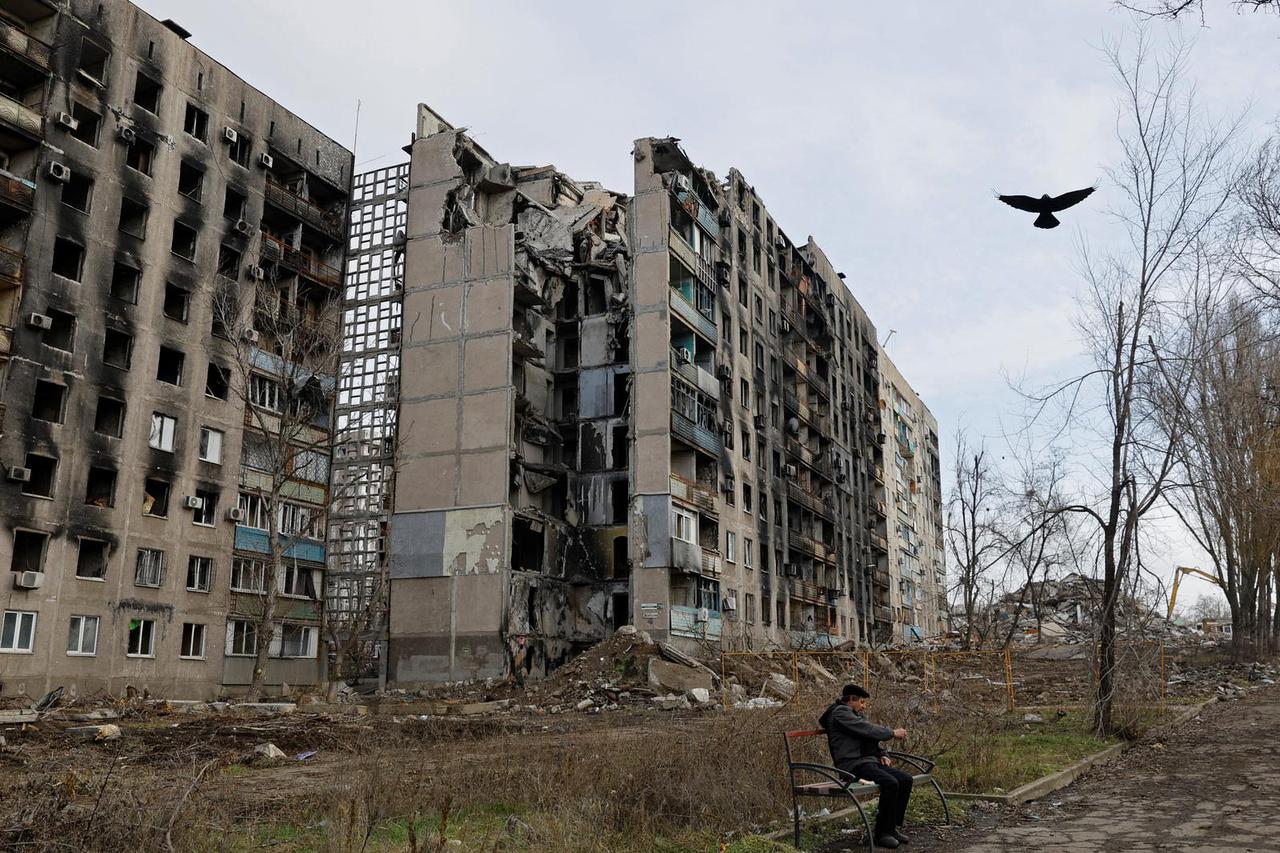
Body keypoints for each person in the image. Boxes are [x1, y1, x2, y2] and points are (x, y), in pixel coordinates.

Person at [818, 683, 912, 849]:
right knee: (890, 783)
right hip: (851, 766)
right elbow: (867, 729)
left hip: (866, 762)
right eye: (861, 702)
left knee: (905, 779)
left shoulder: (852, 714)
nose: (864, 706)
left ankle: (891, 828)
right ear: (852, 700)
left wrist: (882, 754)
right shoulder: (840, 713)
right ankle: (881, 833)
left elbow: (868, 738)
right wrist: (892, 733)